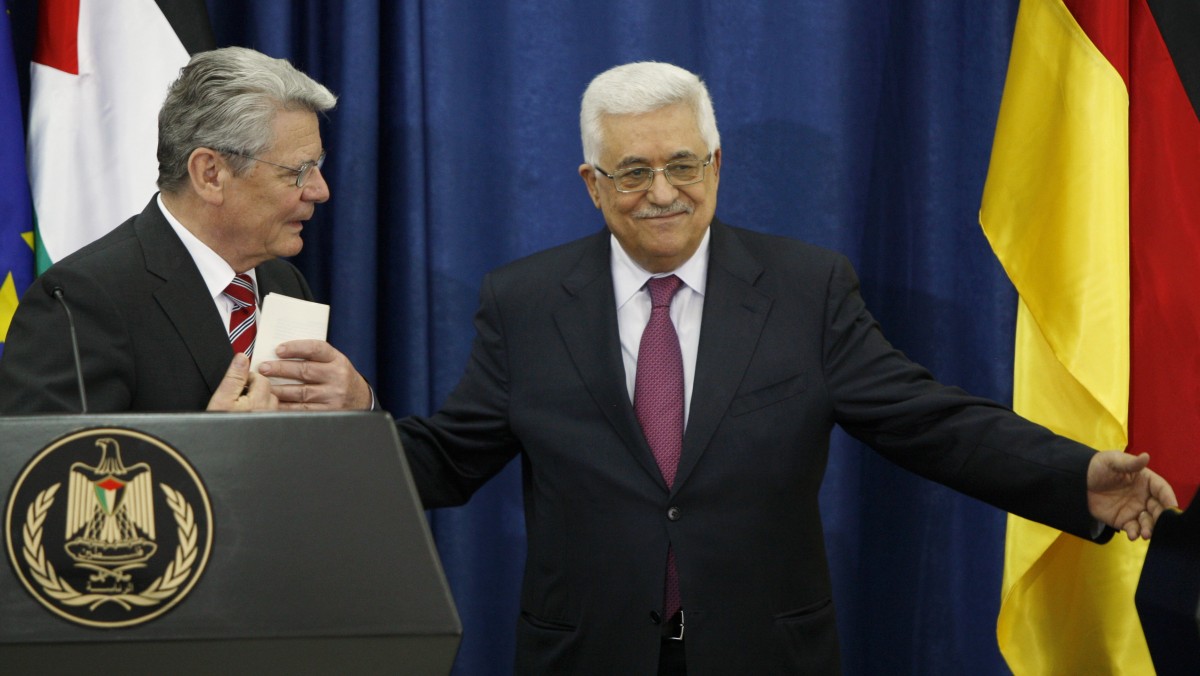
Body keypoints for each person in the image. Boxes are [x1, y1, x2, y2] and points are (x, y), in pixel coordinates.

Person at [395, 62, 1178, 674]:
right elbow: (453, 458)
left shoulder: (807, 288)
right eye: (632, 172)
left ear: (718, 165)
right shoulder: (525, 301)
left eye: (683, 164)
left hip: (764, 654)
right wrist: (342, 429)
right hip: (586, 655)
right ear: (592, 185)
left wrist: (1073, 477)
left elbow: (928, 421)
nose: (662, 193)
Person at [0, 47, 371, 414]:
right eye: (297, 172)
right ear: (210, 174)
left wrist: (360, 404)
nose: (320, 191)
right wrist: (213, 448)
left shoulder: (285, 283)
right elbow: (54, 470)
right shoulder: (80, 302)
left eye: (317, 166)